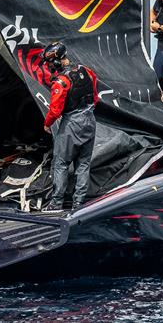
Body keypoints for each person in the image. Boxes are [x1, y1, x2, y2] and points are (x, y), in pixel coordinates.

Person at [41, 41, 99, 211]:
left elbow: (55, 109)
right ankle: (79, 203)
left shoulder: (61, 81)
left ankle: (56, 203)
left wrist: (47, 124)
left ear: (57, 60)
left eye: (50, 63)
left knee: (60, 163)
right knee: (83, 164)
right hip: (90, 120)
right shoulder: (85, 70)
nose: (49, 66)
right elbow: (95, 95)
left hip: (72, 124)